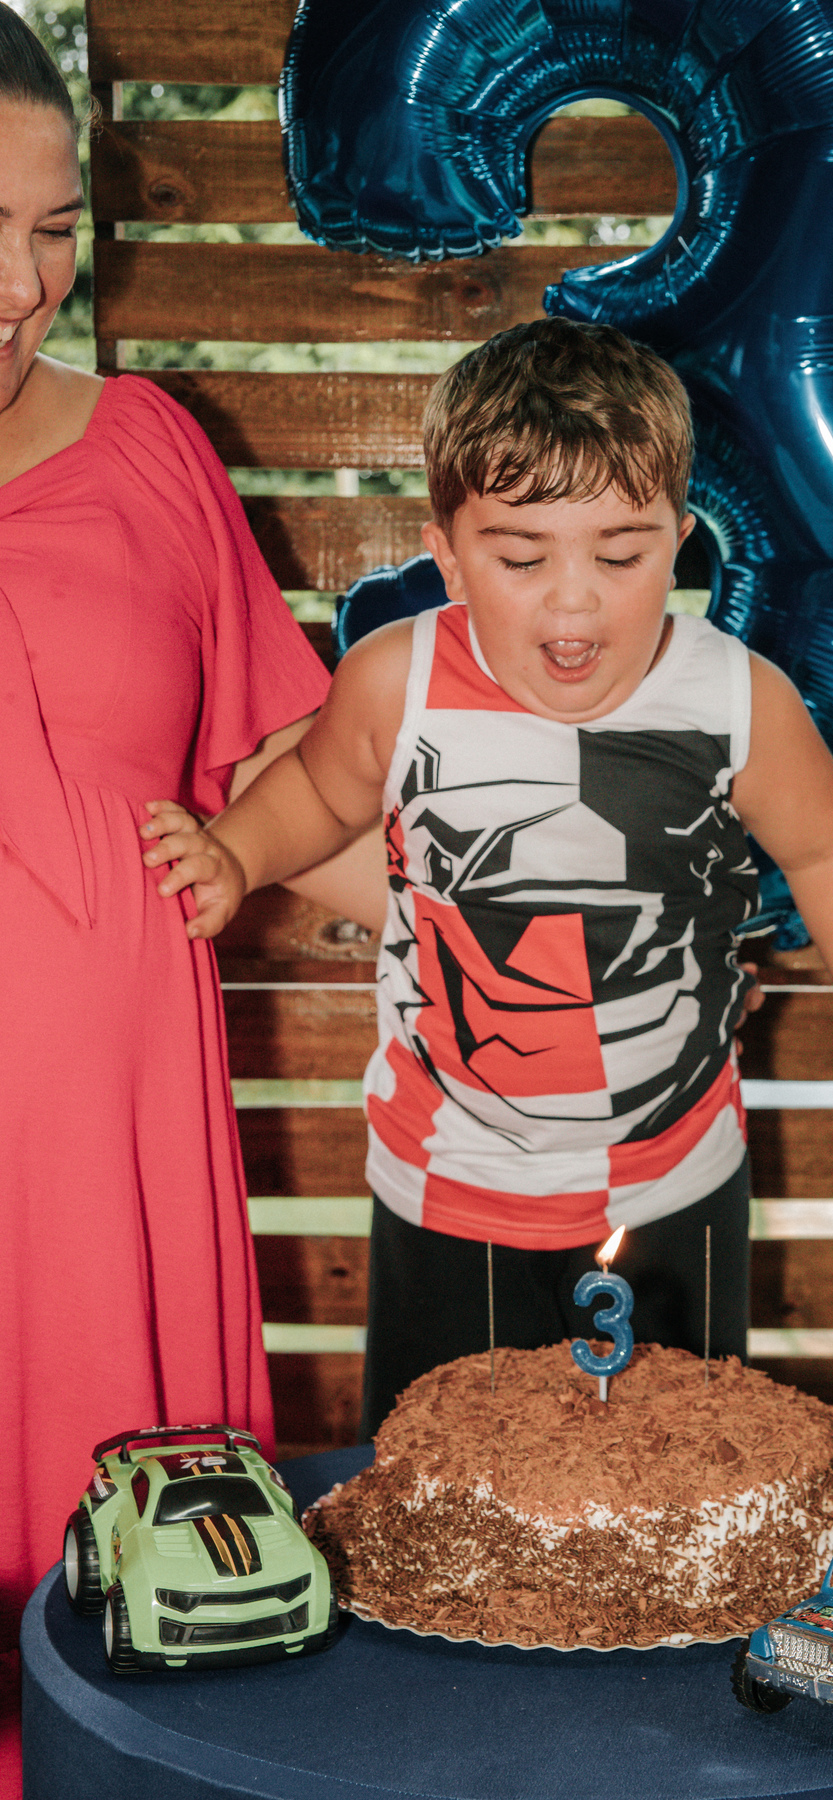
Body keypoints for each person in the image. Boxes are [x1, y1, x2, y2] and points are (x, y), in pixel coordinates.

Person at [145, 317, 833, 1443]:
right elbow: (315, 799)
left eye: (622, 554)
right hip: (448, 1180)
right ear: (449, 554)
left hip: (675, 1179)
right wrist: (232, 855)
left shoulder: (734, 697)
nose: (576, 603)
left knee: (680, 1473)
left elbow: (829, 849)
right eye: (522, 558)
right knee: (438, 1474)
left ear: (680, 539)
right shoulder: (396, 679)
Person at [0, 9, 382, 1788]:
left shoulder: (149, 444)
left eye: (54, 227)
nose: (24, 283)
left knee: (156, 1644)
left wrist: (562, 935)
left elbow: (296, 781)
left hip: (127, 1178)